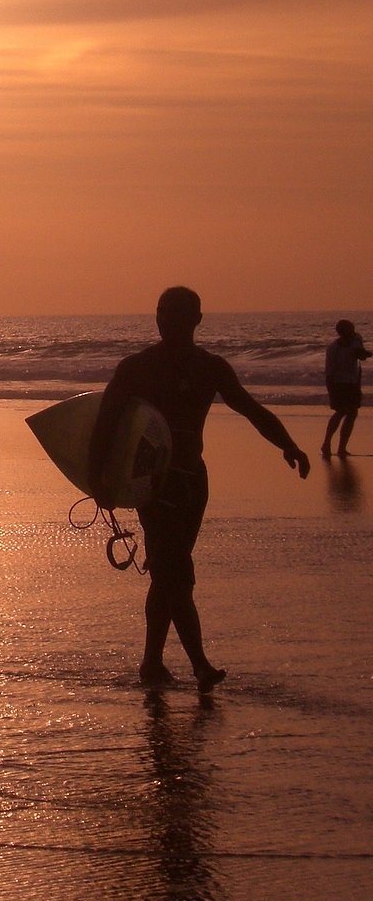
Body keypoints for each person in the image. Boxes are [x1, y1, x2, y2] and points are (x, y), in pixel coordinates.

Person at [89, 287, 310, 692]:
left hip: (194, 481)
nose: (166, 319)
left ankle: (151, 664)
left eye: (176, 313)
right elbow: (104, 424)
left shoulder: (212, 367)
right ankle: (200, 665)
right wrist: (97, 480)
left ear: (197, 320)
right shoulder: (136, 367)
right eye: (161, 311)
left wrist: (288, 444)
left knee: (167, 572)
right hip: (153, 484)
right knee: (175, 573)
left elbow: (250, 408)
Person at [322, 319, 369, 459]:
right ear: (342, 332)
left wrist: (365, 353)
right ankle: (326, 443)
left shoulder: (356, 339)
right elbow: (329, 371)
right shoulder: (332, 348)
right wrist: (330, 389)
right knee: (341, 412)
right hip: (338, 383)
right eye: (350, 329)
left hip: (353, 382)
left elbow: (361, 355)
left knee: (352, 413)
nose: (354, 332)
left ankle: (342, 447)